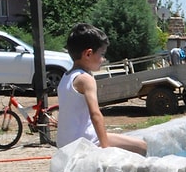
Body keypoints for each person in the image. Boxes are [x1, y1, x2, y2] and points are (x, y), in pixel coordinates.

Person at [56, 23, 147, 155]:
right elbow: (95, 114)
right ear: (88, 54)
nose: (104, 59)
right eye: (102, 54)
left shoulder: (66, 77)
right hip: (85, 142)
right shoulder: (85, 79)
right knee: (142, 146)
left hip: (65, 144)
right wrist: (106, 149)